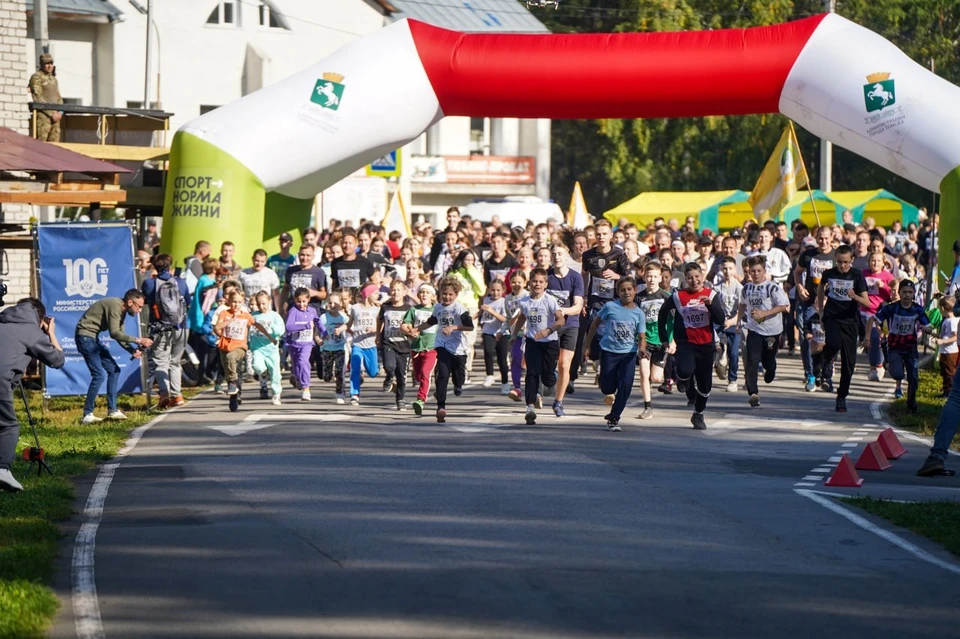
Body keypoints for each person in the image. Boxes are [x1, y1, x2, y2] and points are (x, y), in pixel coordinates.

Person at [0, 299, 64, 492]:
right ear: (40, 317)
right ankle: (2, 469)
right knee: (8, 426)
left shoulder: (3, 322)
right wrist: (50, 332)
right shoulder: (32, 332)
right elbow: (58, 360)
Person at [658, 262, 725, 430]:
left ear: (702, 277)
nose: (694, 281)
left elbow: (721, 320)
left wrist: (710, 305)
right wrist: (664, 337)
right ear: (685, 280)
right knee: (685, 370)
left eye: (697, 277)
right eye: (690, 278)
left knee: (705, 386)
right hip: (686, 343)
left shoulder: (712, 294)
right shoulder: (678, 296)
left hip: (706, 345)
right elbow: (662, 313)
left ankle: (698, 414)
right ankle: (682, 378)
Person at [75, 290, 154, 424]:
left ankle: (112, 410)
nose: (139, 310)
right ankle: (87, 414)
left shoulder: (121, 310)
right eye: (139, 306)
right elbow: (114, 333)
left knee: (114, 370)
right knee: (98, 375)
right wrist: (139, 340)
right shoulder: (115, 306)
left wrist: (132, 351)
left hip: (92, 338)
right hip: (85, 338)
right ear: (130, 302)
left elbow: (120, 334)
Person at [584, 277, 645, 431]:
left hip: (629, 354)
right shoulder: (610, 307)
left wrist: (642, 349)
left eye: (629, 289)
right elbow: (595, 323)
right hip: (609, 352)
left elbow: (642, 336)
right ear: (617, 292)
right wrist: (587, 345)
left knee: (626, 385)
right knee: (607, 388)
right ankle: (603, 378)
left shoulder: (639, 313)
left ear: (635, 291)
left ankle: (614, 417)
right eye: (622, 290)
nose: (626, 292)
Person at [864, 280, 935, 412]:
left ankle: (911, 405)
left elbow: (928, 324)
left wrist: (928, 329)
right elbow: (873, 319)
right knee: (898, 374)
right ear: (900, 293)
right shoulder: (892, 308)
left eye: (910, 292)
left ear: (914, 293)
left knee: (913, 378)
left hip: (911, 348)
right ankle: (893, 369)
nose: (907, 295)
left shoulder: (917, 309)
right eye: (904, 292)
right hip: (895, 347)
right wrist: (869, 337)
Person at [815, 245, 870, 413]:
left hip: (850, 321)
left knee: (849, 363)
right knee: (833, 342)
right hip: (832, 316)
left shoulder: (857, 276)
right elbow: (820, 288)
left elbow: (867, 303)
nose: (842, 266)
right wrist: (821, 310)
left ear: (852, 260)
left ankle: (841, 396)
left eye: (846, 262)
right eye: (839, 262)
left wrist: (855, 297)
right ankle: (825, 361)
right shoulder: (829, 273)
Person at [416, 277, 474, 423]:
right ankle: (440, 407)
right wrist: (416, 329)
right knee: (442, 374)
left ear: (456, 295)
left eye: (450, 295)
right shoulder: (438, 308)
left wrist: (454, 327)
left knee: (458, 376)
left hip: (458, 348)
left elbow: (470, 327)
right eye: (444, 294)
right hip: (442, 345)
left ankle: (458, 384)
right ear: (440, 293)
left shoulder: (459, 309)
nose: (447, 297)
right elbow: (431, 321)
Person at [512, 268, 565, 425]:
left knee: (547, 378)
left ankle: (552, 378)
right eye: (535, 281)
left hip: (550, 342)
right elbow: (522, 317)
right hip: (532, 341)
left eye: (541, 282)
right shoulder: (525, 302)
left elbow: (561, 320)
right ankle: (530, 407)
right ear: (529, 283)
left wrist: (549, 330)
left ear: (546, 284)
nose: (537, 284)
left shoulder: (549, 300)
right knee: (532, 373)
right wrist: (514, 334)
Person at [739, 256, 790, 408]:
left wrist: (765, 313)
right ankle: (753, 393)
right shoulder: (747, 288)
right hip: (754, 329)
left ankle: (771, 369)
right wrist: (737, 322)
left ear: (764, 271)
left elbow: (784, 306)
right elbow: (742, 304)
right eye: (752, 271)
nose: (755, 274)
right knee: (752, 360)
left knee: (768, 359)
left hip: (772, 332)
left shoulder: (772, 287)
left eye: (758, 271)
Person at [141, 253, 191, 410]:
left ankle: (164, 394)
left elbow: (147, 301)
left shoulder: (149, 284)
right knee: (175, 362)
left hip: (160, 327)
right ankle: (177, 396)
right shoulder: (181, 282)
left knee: (161, 362)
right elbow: (188, 302)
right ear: (170, 266)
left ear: (154, 267)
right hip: (181, 327)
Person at [795, 226, 836, 391]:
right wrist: (799, 287)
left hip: (831, 305)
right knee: (808, 339)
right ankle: (810, 374)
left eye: (827, 238)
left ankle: (827, 375)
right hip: (811, 303)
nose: (823, 241)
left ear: (832, 237)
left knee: (829, 340)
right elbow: (797, 272)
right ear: (816, 237)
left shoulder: (836, 256)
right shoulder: (808, 255)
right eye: (820, 238)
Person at [214, 290, 276, 397]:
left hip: (240, 347)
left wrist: (270, 337)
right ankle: (235, 395)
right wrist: (229, 322)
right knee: (228, 370)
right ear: (228, 301)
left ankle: (233, 383)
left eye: (239, 302)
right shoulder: (224, 313)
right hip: (225, 347)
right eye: (234, 302)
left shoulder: (246, 316)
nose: (236, 304)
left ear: (243, 303)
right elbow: (217, 328)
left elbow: (257, 325)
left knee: (231, 358)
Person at [546, 243, 584, 416]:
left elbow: (577, 306)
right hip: (550, 326)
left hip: (570, 324)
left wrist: (562, 311)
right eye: (554, 254)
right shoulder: (546, 277)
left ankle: (558, 401)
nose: (557, 257)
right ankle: (548, 381)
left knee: (564, 364)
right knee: (549, 364)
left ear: (567, 256)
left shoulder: (576, 277)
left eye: (560, 253)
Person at [636, 262, 673, 420]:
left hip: (661, 341)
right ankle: (647, 406)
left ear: (660, 278)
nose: (651, 279)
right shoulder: (639, 297)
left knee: (656, 378)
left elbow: (673, 321)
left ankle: (666, 376)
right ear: (644, 277)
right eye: (649, 276)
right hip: (645, 341)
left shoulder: (666, 297)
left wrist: (672, 341)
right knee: (644, 373)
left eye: (655, 276)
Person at [401, 284, 439, 416]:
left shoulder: (436, 310)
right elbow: (404, 325)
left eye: (427, 293)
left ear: (433, 297)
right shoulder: (413, 310)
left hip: (432, 348)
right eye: (421, 292)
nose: (424, 295)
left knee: (424, 373)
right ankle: (434, 387)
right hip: (416, 347)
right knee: (418, 376)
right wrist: (410, 331)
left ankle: (420, 400)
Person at [860, 251, 895, 382]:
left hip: (879, 313)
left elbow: (893, 294)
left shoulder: (887, 276)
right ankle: (874, 364)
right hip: (862, 311)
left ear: (883, 262)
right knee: (866, 339)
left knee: (875, 337)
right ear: (869, 261)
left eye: (878, 261)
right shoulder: (863, 273)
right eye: (873, 260)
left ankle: (876, 366)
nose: (875, 263)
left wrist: (884, 287)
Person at [379, 280, 412, 411]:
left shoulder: (409, 309)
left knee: (402, 376)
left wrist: (413, 333)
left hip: (404, 345)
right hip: (389, 342)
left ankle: (400, 399)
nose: (395, 292)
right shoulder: (385, 307)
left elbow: (412, 325)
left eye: (398, 290)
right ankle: (388, 378)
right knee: (389, 366)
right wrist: (377, 335)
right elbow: (380, 320)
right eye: (393, 289)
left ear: (404, 292)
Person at [346, 283, 381, 405]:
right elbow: (349, 324)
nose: (378, 295)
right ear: (367, 294)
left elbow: (381, 327)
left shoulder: (377, 310)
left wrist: (374, 329)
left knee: (373, 372)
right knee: (354, 368)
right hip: (357, 344)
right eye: (376, 293)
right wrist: (345, 329)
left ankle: (370, 370)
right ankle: (354, 394)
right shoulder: (355, 308)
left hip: (371, 345)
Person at [249, 291, 285, 405]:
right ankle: (263, 373)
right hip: (258, 348)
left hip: (271, 349)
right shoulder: (253, 316)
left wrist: (273, 328)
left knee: (275, 373)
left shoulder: (274, 315)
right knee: (256, 365)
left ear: (269, 302)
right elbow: (247, 328)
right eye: (259, 304)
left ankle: (276, 394)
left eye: (264, 303)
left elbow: (281, 330)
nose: (261, 306)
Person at [285, 288, 320, 401]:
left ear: (308, 300)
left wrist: (324, 332)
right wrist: (304, 326)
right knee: (296, 366)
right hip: (294, 343)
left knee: (303, 361)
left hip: (307, 343)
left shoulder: (312, 311)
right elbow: (288, 327)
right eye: (298, 302)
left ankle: (306, 389)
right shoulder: (293, 311)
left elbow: (317, 321)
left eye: (304, 301)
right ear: (295, 300)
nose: (301, 304)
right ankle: (297, 378)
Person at [715, 257, 743, 392]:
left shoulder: (739, 288)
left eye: (730, 268)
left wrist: (731, 321)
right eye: (725, 268)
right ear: (721, 269)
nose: (727, 271)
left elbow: (742, 310)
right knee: (714, 345)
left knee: (734, 353)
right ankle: (720, 357)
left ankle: (732, 379)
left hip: (734, 323)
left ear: (734, 269)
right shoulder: (717, 287)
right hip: (720, 322)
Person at [479, 279, 509, 390]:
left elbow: (505, 319)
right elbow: (482, 312)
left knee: (502, 359)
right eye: (493, 290)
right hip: (488, 331)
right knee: (488, 351)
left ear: (503, 290)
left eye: (498, 290)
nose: (495, 292)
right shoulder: (486, 299)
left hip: (502, 332)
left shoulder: (504, 302)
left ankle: (505, 382)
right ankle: (489, 374)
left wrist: (492, 312)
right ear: (489, 290)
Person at [318, 292, 348, 404]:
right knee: (327, 376)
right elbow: (317, 332)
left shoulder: (343, 317)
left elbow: (348, 325)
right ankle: (329, 375)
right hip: (327, 349)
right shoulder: (324, 317)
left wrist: (342, 328)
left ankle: (340, 393)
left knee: (340, 371)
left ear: (341, 304)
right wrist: (318, 339)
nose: (333, 305)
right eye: (330, 303)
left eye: (335, 303)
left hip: (340, 348)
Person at [505, 271, 529, 401]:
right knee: (516, 359)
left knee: (529, 362)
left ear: (525, 283)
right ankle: (517, 388)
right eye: (513, 282)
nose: (516, 284)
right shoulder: (508, 299)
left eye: (519, 282)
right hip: (516, 334)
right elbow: (508, 318)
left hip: (530, 334)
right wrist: (503, 330)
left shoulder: (528, 296)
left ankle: (535, 389)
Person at [29, 53, 63, 142]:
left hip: (56, 118)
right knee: (41, 144)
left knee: (55, 146)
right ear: (42, 65)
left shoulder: (53, 79)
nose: (49, 66)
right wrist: (51, 113)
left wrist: (60, 112)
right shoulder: (37, 77)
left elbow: (58, 97)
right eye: (47, 64)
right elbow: (37, 96)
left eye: (51, 63)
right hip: (43, 116)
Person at [935, 296, 958, 397]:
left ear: (943, 308)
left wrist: (943, 341)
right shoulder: (946, 320)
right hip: (944, 351)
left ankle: (949, 392)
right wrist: (934, 335)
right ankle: (945, 390)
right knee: (944, 371)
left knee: (949, 372)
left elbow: (955, 337)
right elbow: (944, 334)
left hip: (950, 351)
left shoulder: (953, 321)